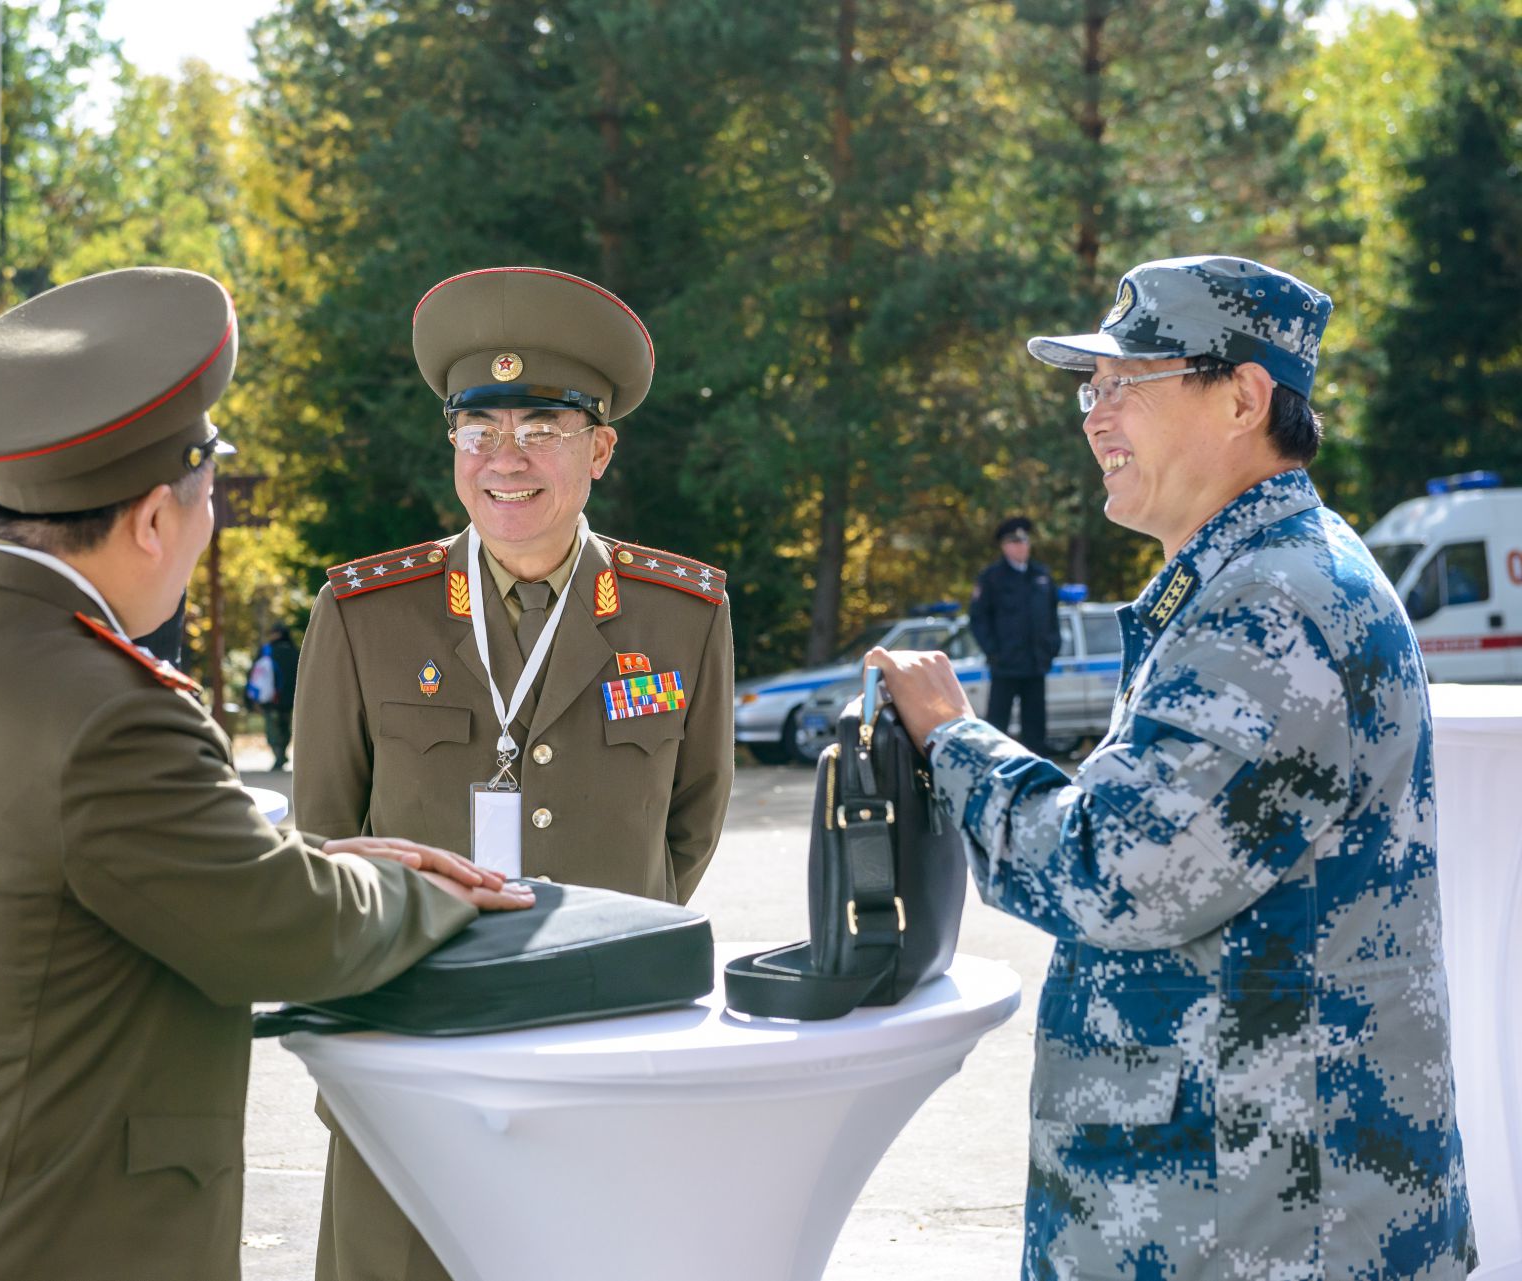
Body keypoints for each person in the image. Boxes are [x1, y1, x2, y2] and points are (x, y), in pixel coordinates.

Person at [0, 268, 534, 1281]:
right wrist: (422, 888)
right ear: (153, 519)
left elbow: (94, 870)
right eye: (204, 506)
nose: (205, 530)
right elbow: (285, 928)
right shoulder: (107, 707)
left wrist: (317, 854)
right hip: (47, 1235)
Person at [869, 255, 1477, 1278]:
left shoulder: (1272, 603)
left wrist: (951, 738)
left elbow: (1117, 872)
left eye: (1126, 385)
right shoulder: (1256, 578)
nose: (1093, 415)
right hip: (1243, 1204)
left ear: (1244, 396)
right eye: (1087, 389)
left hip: (1264, 1227)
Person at [293, 265, 736, 1281]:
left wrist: (605, 952)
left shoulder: (682, 615)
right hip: (409, 1055)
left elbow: (690, 826)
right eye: (477, 427)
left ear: (600, 447)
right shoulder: (366, 613)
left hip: (600, 1053)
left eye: (541, 425)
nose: (506, 458)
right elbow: (322, 832)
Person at [968, 515, 1060, 753]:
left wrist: (1051, 649)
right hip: (1005, 665)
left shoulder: (1041, 576)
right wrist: (994, 651)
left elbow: (1052, 616)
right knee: (997, 725)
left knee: (1036, 727)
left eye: (1025, 541)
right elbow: (978, 619)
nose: (1022, 546)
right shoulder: (991, 578)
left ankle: (1037, 772)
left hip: (1035, 663)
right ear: (1004, 546)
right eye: (1015, 541)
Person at [255, 622, 298, 770]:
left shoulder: (267, 651)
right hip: (290, 698)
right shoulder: (296, 651)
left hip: (270, 698)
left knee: (272, 728)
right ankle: (282, 753)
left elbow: (256, 675)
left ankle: (279, 754)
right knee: (285, 727)